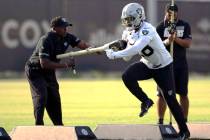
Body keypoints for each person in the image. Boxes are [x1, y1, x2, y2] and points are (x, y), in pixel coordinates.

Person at [105, 3, 190, 139]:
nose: (127, 22)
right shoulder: (127, 32)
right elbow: (127, 57)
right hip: (147, 64)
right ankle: (145, 101)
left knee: (170, 100)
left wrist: (115, 55)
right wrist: (119, 49)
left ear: (139, 17)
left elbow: (136, 48)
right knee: (127, 76)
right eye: (126, 19)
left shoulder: (148, 29)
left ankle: (184, 131)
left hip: (163, 66)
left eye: (130, 19)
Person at [25, 16, 89, 125]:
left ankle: (59, 126)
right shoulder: (46, 40)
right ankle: (38, 126)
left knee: (54, 97)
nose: (66, 29)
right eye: (63, 27)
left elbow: (82, 45)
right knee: (42, 96)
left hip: (49, 71)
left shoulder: (67, 37)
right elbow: (44, 64)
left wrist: (94, 49)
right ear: (54, 28)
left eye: (66, 27)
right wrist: (66, 65)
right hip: (35, 70)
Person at [156, 4, 192, 125]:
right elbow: (156, 46)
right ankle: (160, 121)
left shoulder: (184, 25)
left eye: (175, 12)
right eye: (170, 12)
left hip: (180, 66)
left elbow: (187, 43)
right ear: (166, 13)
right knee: (162, 95)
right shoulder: (160, 27)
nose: (173, 15)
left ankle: (184, 121)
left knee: (183, 93)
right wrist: (168, 40)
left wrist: (175, 38)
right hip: (164, 66)